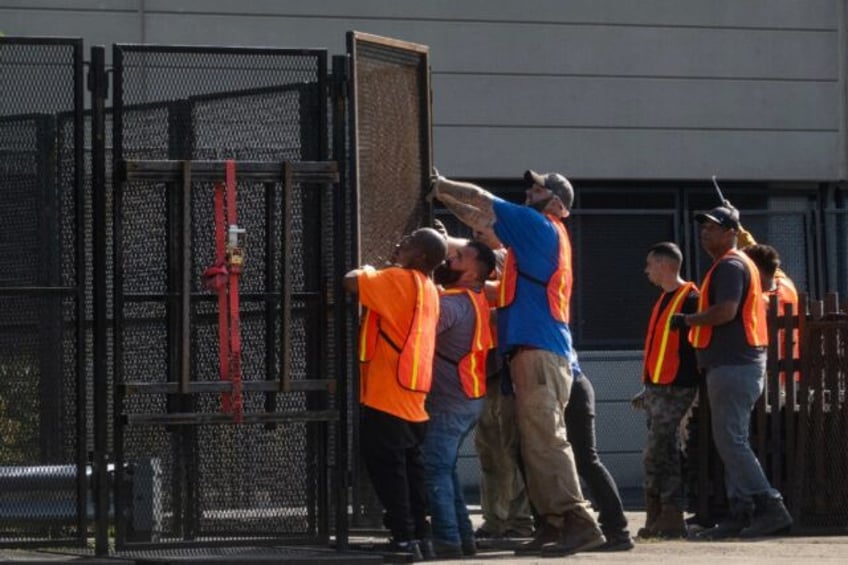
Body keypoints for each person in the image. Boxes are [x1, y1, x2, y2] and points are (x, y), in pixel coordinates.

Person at [431, 169, 606, 556]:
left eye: (540, 188)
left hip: (539, 352)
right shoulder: (532, 241)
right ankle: (553, 523)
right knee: (533, 444)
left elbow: (481, 201)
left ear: (558, 204)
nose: (531, 190)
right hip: (533, 352)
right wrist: (443, 201)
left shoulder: (540, 226)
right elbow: (481, 223)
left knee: (546, 441)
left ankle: (578, 521)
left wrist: (439, 186)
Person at [671, 205, 793, 540]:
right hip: (736, 363)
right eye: (704, 226)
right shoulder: (736, 265)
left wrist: (687, 320)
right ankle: (741, 512)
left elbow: (725, 312)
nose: (704, 232)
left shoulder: (730, 265)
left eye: (712, 227)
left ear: (731, 233)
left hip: (734, 364)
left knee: (732, 441)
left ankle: (770, 506)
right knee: (729, 441)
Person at [343, 227, 447, 560]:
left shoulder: (398, 280)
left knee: (390, 473)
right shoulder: (429, 288)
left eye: (410, 242)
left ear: (422, 257)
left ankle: (404, 540)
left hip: (386, 397)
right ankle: (420, 536)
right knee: (411, 472)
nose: (400, 244)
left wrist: (368, 270)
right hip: (414, 401)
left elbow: (351, 281)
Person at [420, 239, 497, 558]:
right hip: (467, 398)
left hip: (451, 403)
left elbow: (419, 331)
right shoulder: (475, 298)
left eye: (460, 258)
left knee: (435, 468)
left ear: (475, 271)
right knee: (445, 469)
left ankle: (448, 540)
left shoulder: (452, 305)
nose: (450, 260)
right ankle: (463, 538)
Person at [638, 242, 700, 538]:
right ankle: (663, 517)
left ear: (664, 265)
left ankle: (667, 510)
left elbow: (696, 346)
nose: (647, 270)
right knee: (666, 450)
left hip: (676, 386)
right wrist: (647, 387)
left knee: (656, 450)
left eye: (650, 264)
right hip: (658, 387)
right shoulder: (664, 299)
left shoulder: (690, 298)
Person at [566, 352, 635, 550]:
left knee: (586, 460)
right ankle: (615, 529)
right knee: (585, 461)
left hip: (575, 387)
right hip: (577, 386)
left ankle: (617, 529)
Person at [741, 243, 801, 385]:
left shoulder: (761, 301)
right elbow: (766, 260)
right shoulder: (787, 284)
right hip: (791, 374)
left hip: (766, 377)